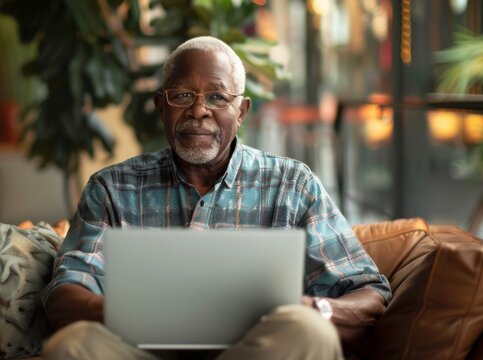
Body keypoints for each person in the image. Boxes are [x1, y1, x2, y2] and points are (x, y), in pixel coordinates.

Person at [40, 36, 391, 360]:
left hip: (254, 352)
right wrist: (140, 313)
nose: (198, 110)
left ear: (241, 111)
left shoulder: (292, 185)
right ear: (160, 106)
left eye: (217, 97)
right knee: (72, 346)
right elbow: (65, 295)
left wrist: (311, 308)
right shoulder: (112, 188)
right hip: (143, 352)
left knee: (309, 331)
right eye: (181, 96)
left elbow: (368, 294)